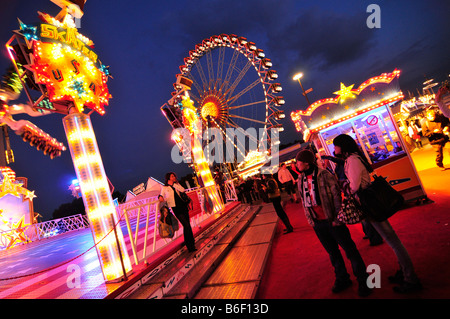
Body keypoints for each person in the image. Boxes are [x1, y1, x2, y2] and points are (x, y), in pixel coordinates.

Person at [333, 134, 422, 293]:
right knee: (391, 238)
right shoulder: (353, 158)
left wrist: (343, 185)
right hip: (369, 203)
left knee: (392, 240)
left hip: (369, 204)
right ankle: (404, 271)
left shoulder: (352, 161)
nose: (334, 149)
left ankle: (410, 278)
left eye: (335, 146)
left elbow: (354, 186)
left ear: (342, 146)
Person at [295, 149, 372, 297]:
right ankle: (342, 278)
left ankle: (364, 280)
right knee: (333, 253)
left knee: (350, 250)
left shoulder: (324, 175)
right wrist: (312, 221)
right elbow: (305, 202)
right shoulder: (300, 179)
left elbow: (336, 197)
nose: (296, 164)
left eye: (298, 162)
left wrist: (338, 218)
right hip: (318, 223)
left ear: (306, 163)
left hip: (333, 220)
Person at [160, 172, 196, 252]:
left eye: (174, 176)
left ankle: (191, 243)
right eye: (172, 176)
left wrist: (173, 184)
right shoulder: (165, 187)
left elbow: (183, 190)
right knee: (186, 225)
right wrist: (160, 197)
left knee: (188, 225)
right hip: (176, 208)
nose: (174, 177)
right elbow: (161, 195)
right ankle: (189, 245)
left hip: (183, 206)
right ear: (168, 178)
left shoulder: (176, 184)